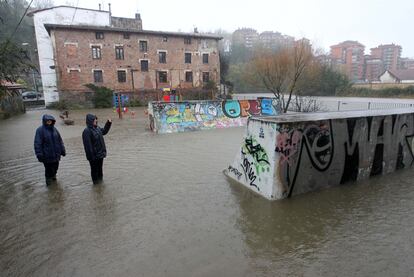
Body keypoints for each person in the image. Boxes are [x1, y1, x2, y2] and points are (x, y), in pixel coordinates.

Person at [34, 114, 66, 185]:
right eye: (47, 121)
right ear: (44, 121)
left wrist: (62, 150)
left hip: (56, 155)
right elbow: (37, 144)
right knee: (48, 171)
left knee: (55, 169)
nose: (49, 122)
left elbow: (60, 141)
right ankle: (49, 186)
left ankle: (54, 181)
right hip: (47, 156)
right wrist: (39, 154)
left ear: (52, 121)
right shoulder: (40, 130)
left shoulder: (55, 130)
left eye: (50, 120)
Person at [82, 114, 112, 184]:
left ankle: (100, 187)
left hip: (100, 154)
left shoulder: (97, 128)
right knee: (94, 171)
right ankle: (95, 186)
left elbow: (104, 131)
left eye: (96, 119)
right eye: (94, 119)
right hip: (94, 156)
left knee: (100, 171)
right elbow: (87, 146)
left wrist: (108, 123)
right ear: (90, 121)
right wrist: (91, 157)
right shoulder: (87, 131)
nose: (96, 120)